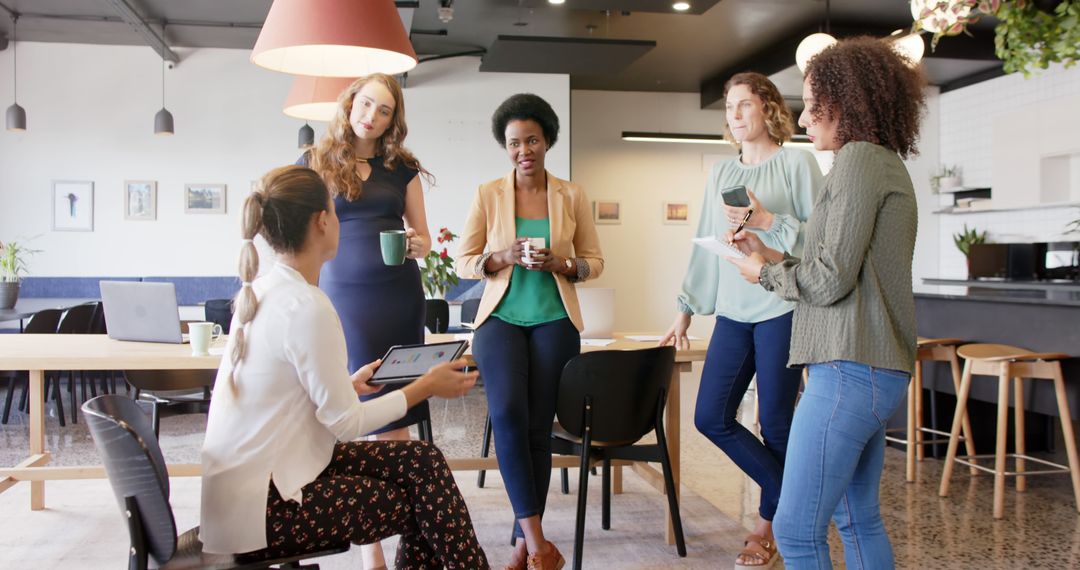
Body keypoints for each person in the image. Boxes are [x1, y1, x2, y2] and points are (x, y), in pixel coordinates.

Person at [200, 165, 488, 570]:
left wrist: (348, 384)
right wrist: (424, 386)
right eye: (337, 211)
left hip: (255, 487)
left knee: (424, 462)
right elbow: (347, 425)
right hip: (265, 510)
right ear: (322, 221)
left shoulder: (264, 293)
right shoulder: (306, 306)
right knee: (419, 501)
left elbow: (291, 395)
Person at [726, 37, 926, 569]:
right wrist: (771, 255)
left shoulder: (859, 162)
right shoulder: (879, 163)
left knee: (793, 530)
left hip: (850, 368)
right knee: (856, 518)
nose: (805, 115)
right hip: (871, 368)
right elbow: (838, 268)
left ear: (849, 102)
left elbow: (831, 277)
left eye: (815, 102)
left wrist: (766, 272)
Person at [659, 71, 822, 569]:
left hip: (783, 307)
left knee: (775, 422)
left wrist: (769, 220)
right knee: (710, 416)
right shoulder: (721, 175)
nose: (735, 116)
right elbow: (708, 246)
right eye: (729, 108)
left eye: (744, 105)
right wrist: (686, 307)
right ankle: (796, 497)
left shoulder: (797, 164)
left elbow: (821, 238)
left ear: (768, 108)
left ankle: (766, 529)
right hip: (733, 309)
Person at [457, 93, 604, 570]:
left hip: (555, 320)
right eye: (515, 142)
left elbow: (595, 261)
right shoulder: (487, 193)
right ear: (507, 146)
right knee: (506, 416)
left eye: (533, 140)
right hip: (500, 319)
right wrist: (501, 256)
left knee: (540, 429)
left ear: (547, 141)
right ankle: (540, 546)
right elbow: (465, 260)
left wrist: (562, 263)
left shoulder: (572, 195)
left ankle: (524, 547)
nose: (524, 150)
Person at [305, 72, 432, 570]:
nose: (372, 116)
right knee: (351, 407)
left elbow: (420, 234)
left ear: (392, 120)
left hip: (398, 297)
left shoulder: (402, 168)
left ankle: (402, 539)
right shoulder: (316, 162)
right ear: (349, 103)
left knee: (395, 414)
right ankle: (368, 548)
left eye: (384, 110)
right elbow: (299, 230)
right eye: (366, 104)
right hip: (339, 300)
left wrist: (420, 243)